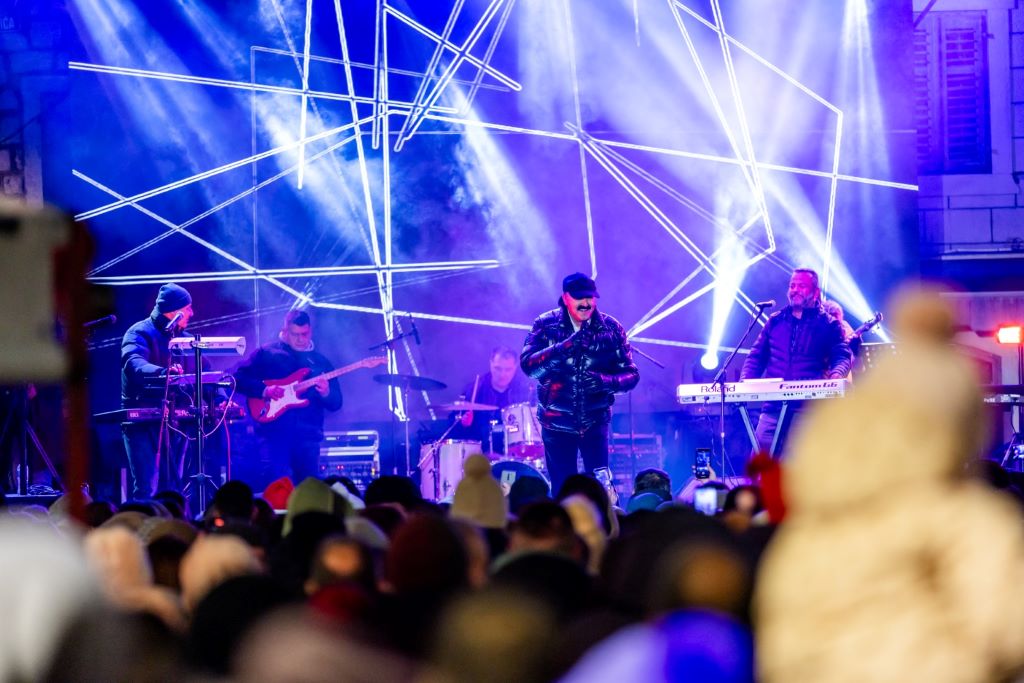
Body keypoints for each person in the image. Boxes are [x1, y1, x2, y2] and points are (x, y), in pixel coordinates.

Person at [520, 272, 639, 494]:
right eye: (579, 298)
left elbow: (631, 375)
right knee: (562, 488)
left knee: (600, 486)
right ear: (566, 297)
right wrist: (564, 347)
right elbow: (529, 366)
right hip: (556, 421)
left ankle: (604, 516)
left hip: (595, 420)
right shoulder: (545, 324)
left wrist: (605, 381)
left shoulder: (611, 328)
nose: (586, 303)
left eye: (590, 297)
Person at [740, 268, 852, 456]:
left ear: (815, 292)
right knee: (760, 464)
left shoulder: (829, 324)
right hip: (772, 408)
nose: (795, 290)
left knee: (798, 466)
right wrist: (745, 383)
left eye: (801, 286)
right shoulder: (775, 321)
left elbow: (841, 354)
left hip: (806, 410)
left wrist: (836, 375)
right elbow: (756, 356)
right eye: (792, 286)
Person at [234, 310, 342, 486]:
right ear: (285, 331)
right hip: (273, 437)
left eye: (304, 334)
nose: (300, 339)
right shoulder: (267, 353)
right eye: (294, 334)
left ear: (310, 331)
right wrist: (264, 390)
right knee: (276, 488)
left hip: (308, 438)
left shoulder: (321, 362)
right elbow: (237, 378)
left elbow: (337, 403)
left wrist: (326, 393)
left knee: (308, 491)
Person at [120, 282, 195, 499]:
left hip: (177, 421)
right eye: (188, 308)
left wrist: (220, 398)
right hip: (142, 422)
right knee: (147, 488)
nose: (192, 313)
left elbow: (206, 372)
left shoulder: (185, 339)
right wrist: (162, 373)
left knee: (172, 489)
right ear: (175, 312)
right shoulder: (138, 332)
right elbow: (133, 362)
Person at [453, 346, 530, 453]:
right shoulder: (475, 389)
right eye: (498, 368)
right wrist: (463, 423)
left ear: (516, 367)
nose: (502, 374)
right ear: (490, 363)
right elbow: (455, 427)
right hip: (481, 455)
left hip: (517, 454)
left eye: (508, 369)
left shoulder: (525, 391)